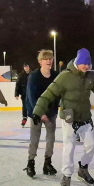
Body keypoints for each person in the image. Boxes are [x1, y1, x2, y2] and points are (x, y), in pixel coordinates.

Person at [32, 48, 94, 186]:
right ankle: (67, 176)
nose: (87, 67)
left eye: (89, 64)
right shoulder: (64, 77)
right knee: (69, 147)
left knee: (91, 145)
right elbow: (48, 94)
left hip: (85, 117)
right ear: (77, 62)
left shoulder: (91, 77)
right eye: (84, 64)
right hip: (69, 118)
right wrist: (37, 111)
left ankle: (83, 168)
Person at [25, 49, 59, 178]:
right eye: (46, 59)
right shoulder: (34, 76)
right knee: (35, 139)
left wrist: (55, 110)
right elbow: (31, 96)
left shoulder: (56, 75)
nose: (49, 61)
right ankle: (30, 163)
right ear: (40, 62)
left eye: (50, 58)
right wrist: (39, 112)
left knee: (51, 138)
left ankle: (47, 163)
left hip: (51, 113)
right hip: (36, 112)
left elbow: (59, 92)